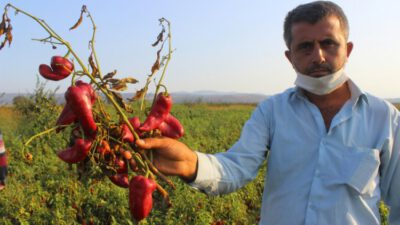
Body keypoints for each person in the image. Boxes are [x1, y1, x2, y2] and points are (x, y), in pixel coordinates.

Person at [136, 1, 400, 224]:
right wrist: (190, 164)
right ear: (290, 57)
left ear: (348, 49)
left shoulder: (384, 118)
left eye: (329, 43)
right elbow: (237, 167)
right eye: (305, 47)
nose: (318, 56)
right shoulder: (272, 111)